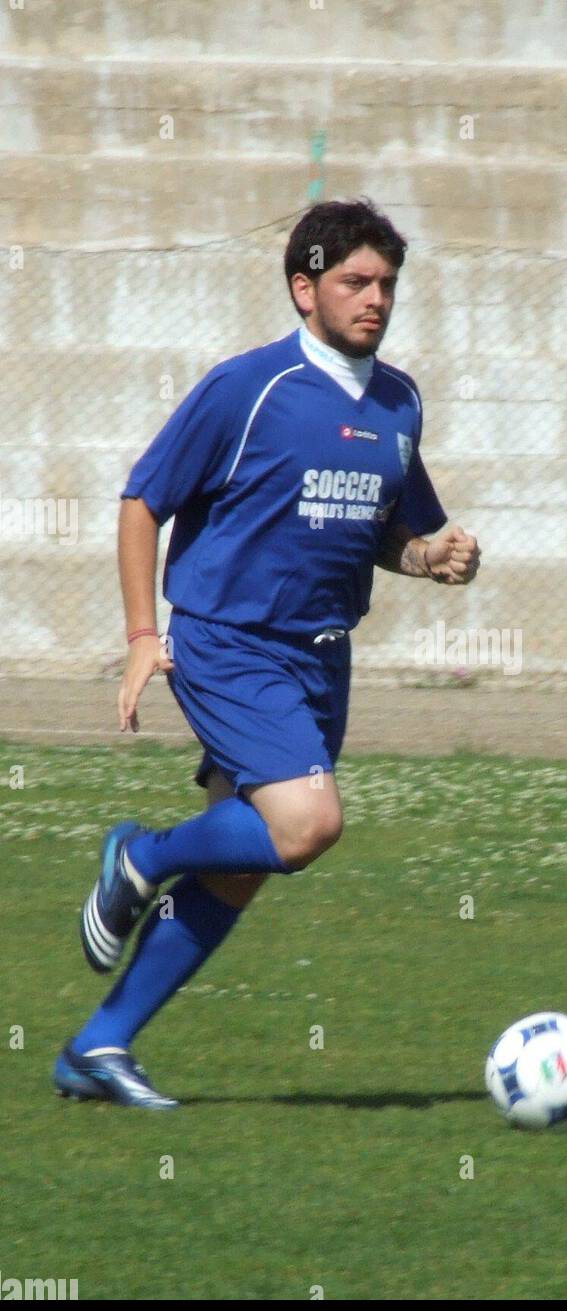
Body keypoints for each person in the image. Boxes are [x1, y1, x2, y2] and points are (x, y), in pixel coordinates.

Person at [54, 197, 481, 1108]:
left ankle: (99, 1046)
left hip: (321, 657)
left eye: (387, 285)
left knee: (242, 869)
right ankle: (141, 856)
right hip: (227, 640)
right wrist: (142, 640)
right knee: (308, 825)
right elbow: (142, 502)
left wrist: (430, 557)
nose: (374, 299)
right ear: (304, 288)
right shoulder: (246, 388)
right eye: (354, 282)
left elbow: (388, 530)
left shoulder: (399, 401)